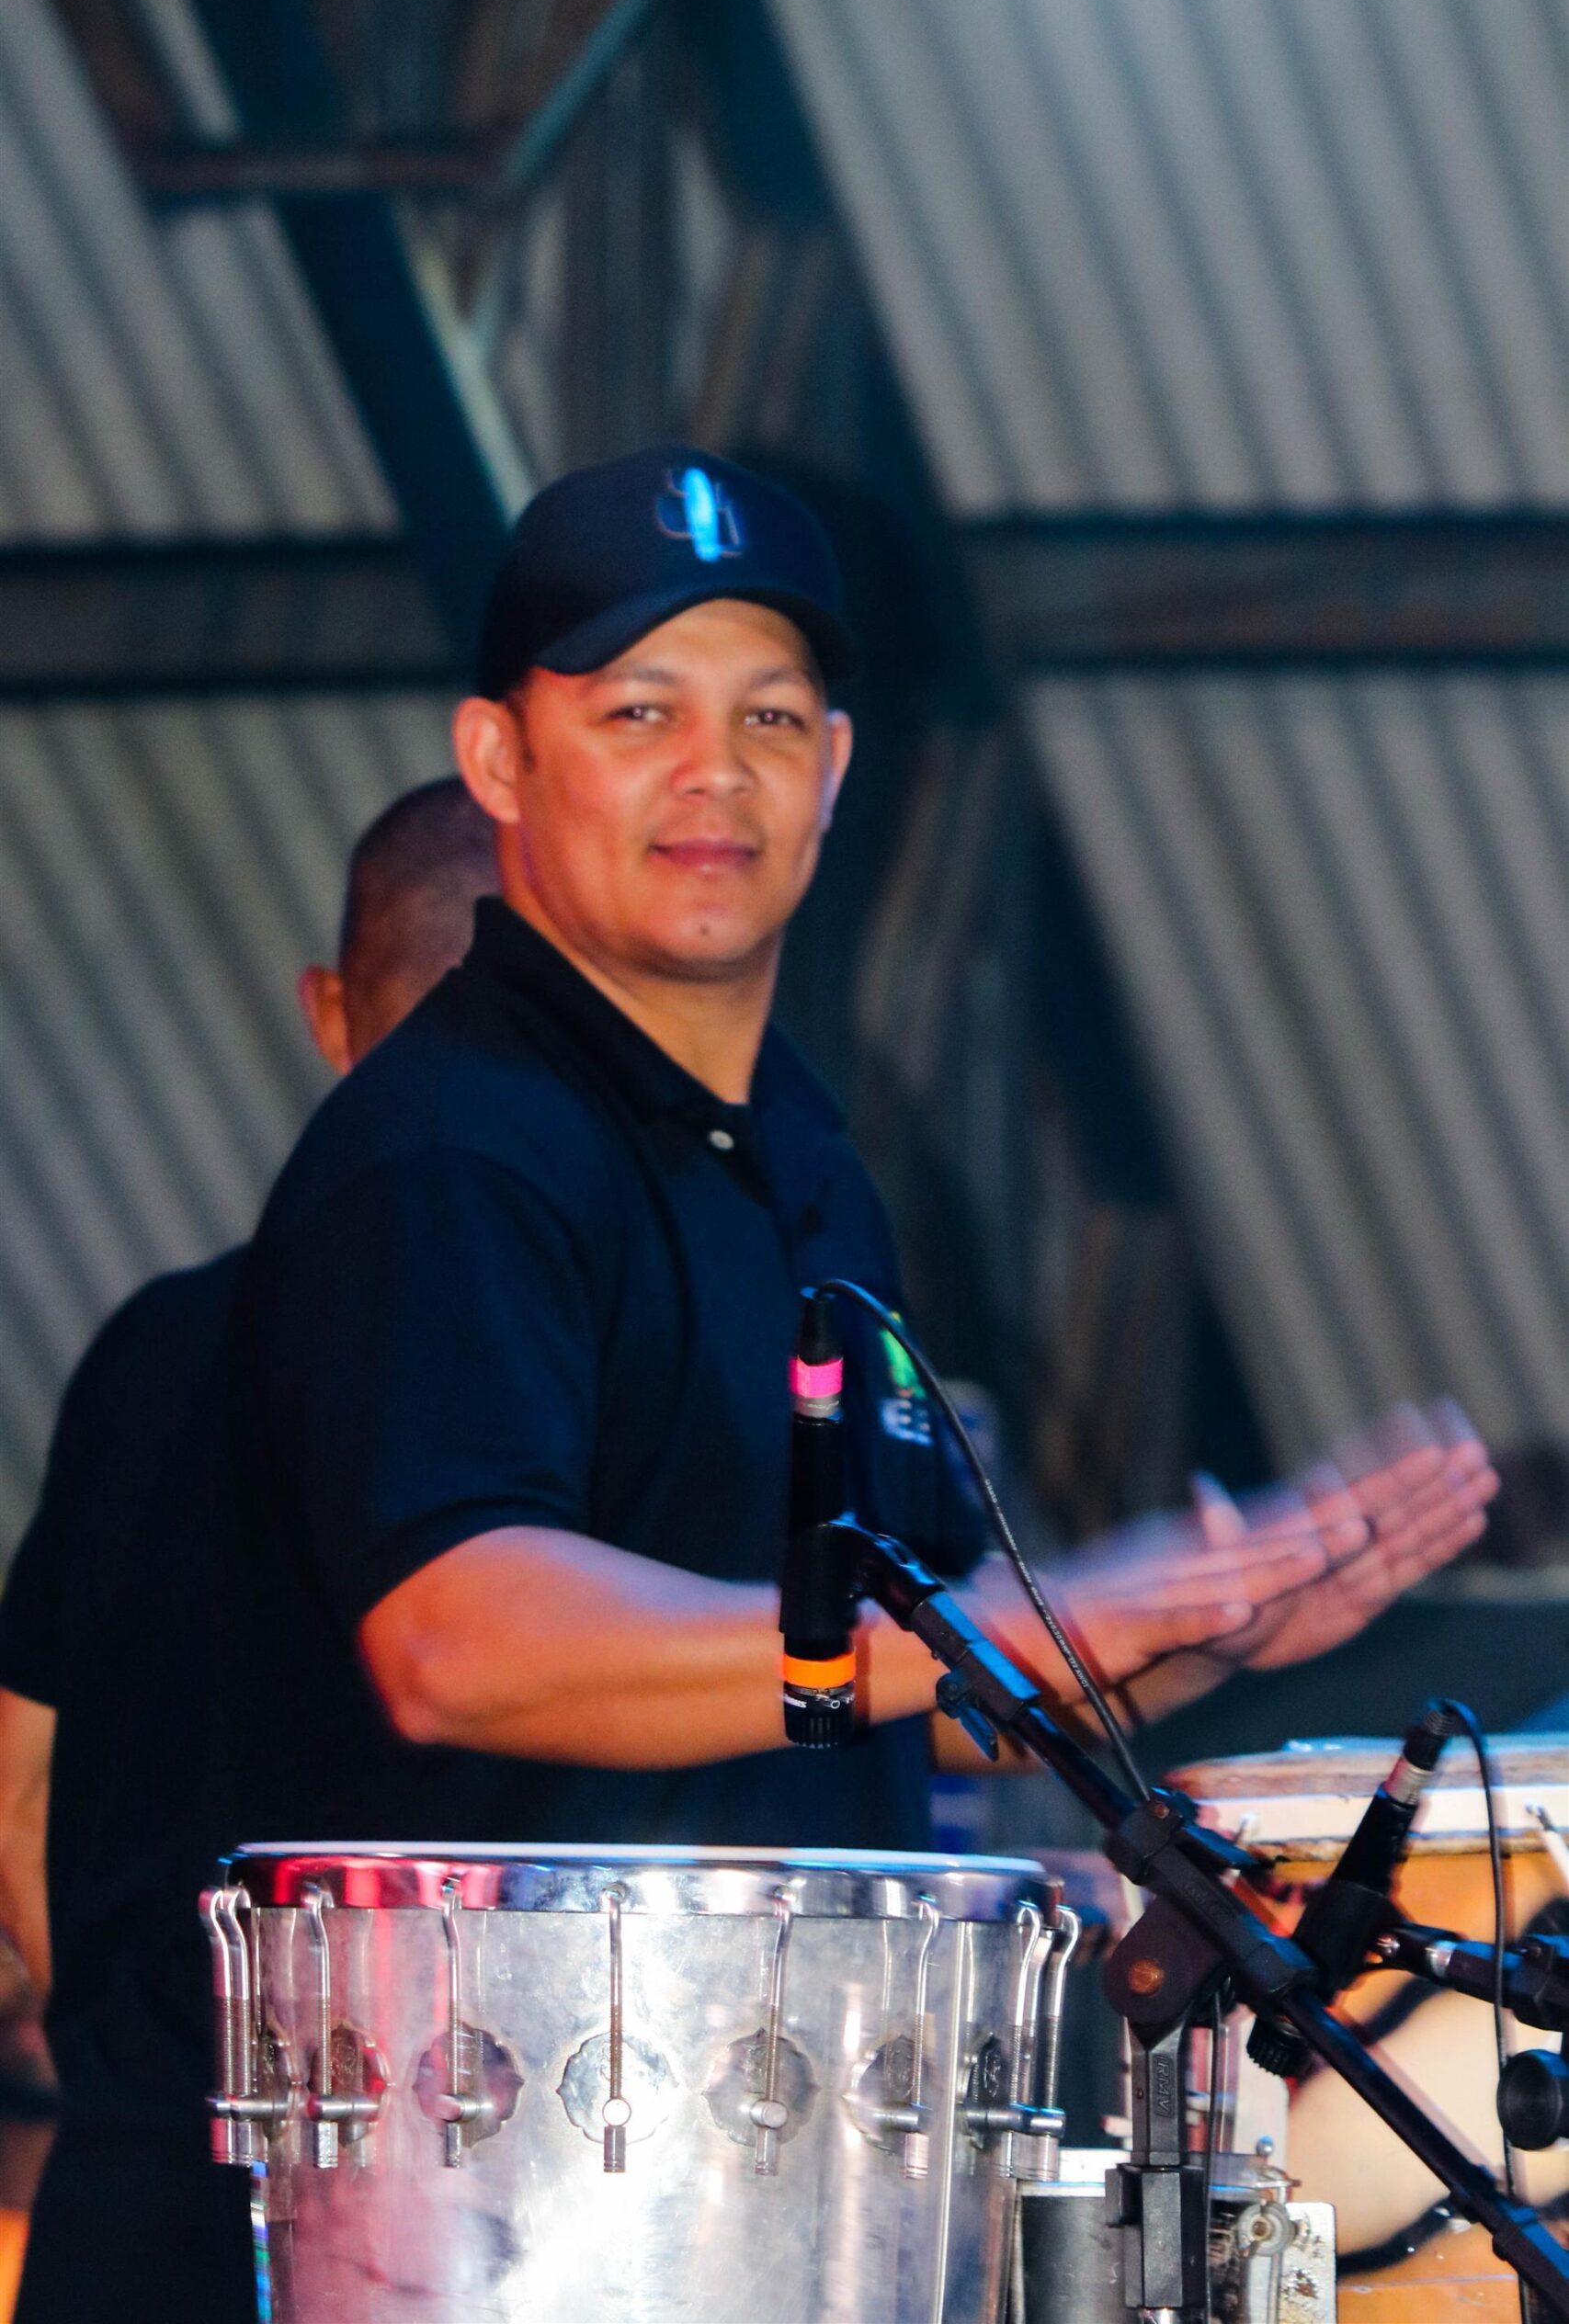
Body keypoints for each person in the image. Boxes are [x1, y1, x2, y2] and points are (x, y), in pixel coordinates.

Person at [225, 445, 1495, 1882]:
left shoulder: (808, 1165)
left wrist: (1197, 1628)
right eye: (641, 712)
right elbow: (460, 1647)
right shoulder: (451, 1143)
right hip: (528, 2027)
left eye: (767, 716)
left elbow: (921, 1700)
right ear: (499, 761)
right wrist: (1022, 1626)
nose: (715, 770)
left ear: (831, 770)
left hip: (809, 2019)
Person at [0, 778, 497, 2324]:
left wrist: (156, 2071)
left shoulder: (154, 1346)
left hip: (136, 2216)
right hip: (439, 2243)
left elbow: (18, 1786)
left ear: (330, 1016)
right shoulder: (584, 1375)